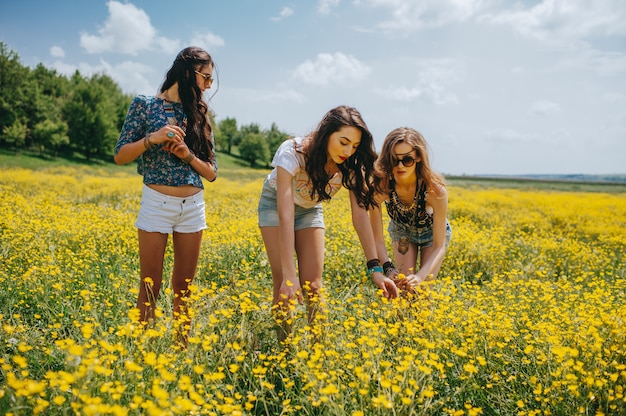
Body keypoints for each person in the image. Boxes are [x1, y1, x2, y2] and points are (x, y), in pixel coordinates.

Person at [258, 105, 399, 342]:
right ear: (326, 134)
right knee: (284, 283)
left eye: (354, 146)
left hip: (310, 209)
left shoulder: (351, 166)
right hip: (276, 206)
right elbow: (285, 214)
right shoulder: (292, 152)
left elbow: (360, 216)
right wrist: (289, 272)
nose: (348, 151)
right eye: (343, 142)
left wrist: (375, 269)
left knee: (313, 286)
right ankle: (284, 353)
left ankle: (319, 354)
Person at [114, 46, 218, 344]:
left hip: (193, 207)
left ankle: (180, 352)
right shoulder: (144, 105)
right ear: (188, 72)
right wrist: (153, 138)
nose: (208, 86)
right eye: (206, 78)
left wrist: (187, 156)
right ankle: (142, 352)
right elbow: (121, 155)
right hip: (156, 204)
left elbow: (211, 172)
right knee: (150, 286)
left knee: (184, 288)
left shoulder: (199, 112)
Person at [370, 127, 452, 293]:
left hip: (432, 235)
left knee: (423, 292)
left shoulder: (435, 192)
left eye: (407, 160)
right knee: (405, 290)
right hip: (402, 233)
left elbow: (439, 246)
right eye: (394, 160)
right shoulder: (380, 189)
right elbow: (376, 239)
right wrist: (388, 267)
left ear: (418, 158)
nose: (400, 166)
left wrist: (421, 276)